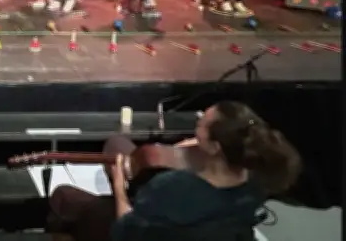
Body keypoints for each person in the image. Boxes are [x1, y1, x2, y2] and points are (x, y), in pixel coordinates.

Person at [47, 101, 301, 241]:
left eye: (200, 126)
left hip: (145, 229)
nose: (196, 127)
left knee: (64, 197)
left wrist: (119, 187)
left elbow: (125, 231)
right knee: (117, 144)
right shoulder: (257, 175)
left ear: (214, 147)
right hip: (211, 225)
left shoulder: (173, 187)